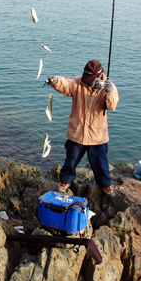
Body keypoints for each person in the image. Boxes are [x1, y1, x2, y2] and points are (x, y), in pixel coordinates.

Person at [46, 60, 120, 197]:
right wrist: (55, 81)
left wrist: (109, 91)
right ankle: (64, 182)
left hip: (97, 136)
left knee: (101, 164)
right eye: (86, 78)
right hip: (77, 133)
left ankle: (105, 185)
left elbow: (112, 105)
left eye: (90, 79)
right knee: (70, 161)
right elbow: (66, 84)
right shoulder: (78, 83)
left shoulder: (108, 87)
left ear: (99, 76)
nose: (87, 81)